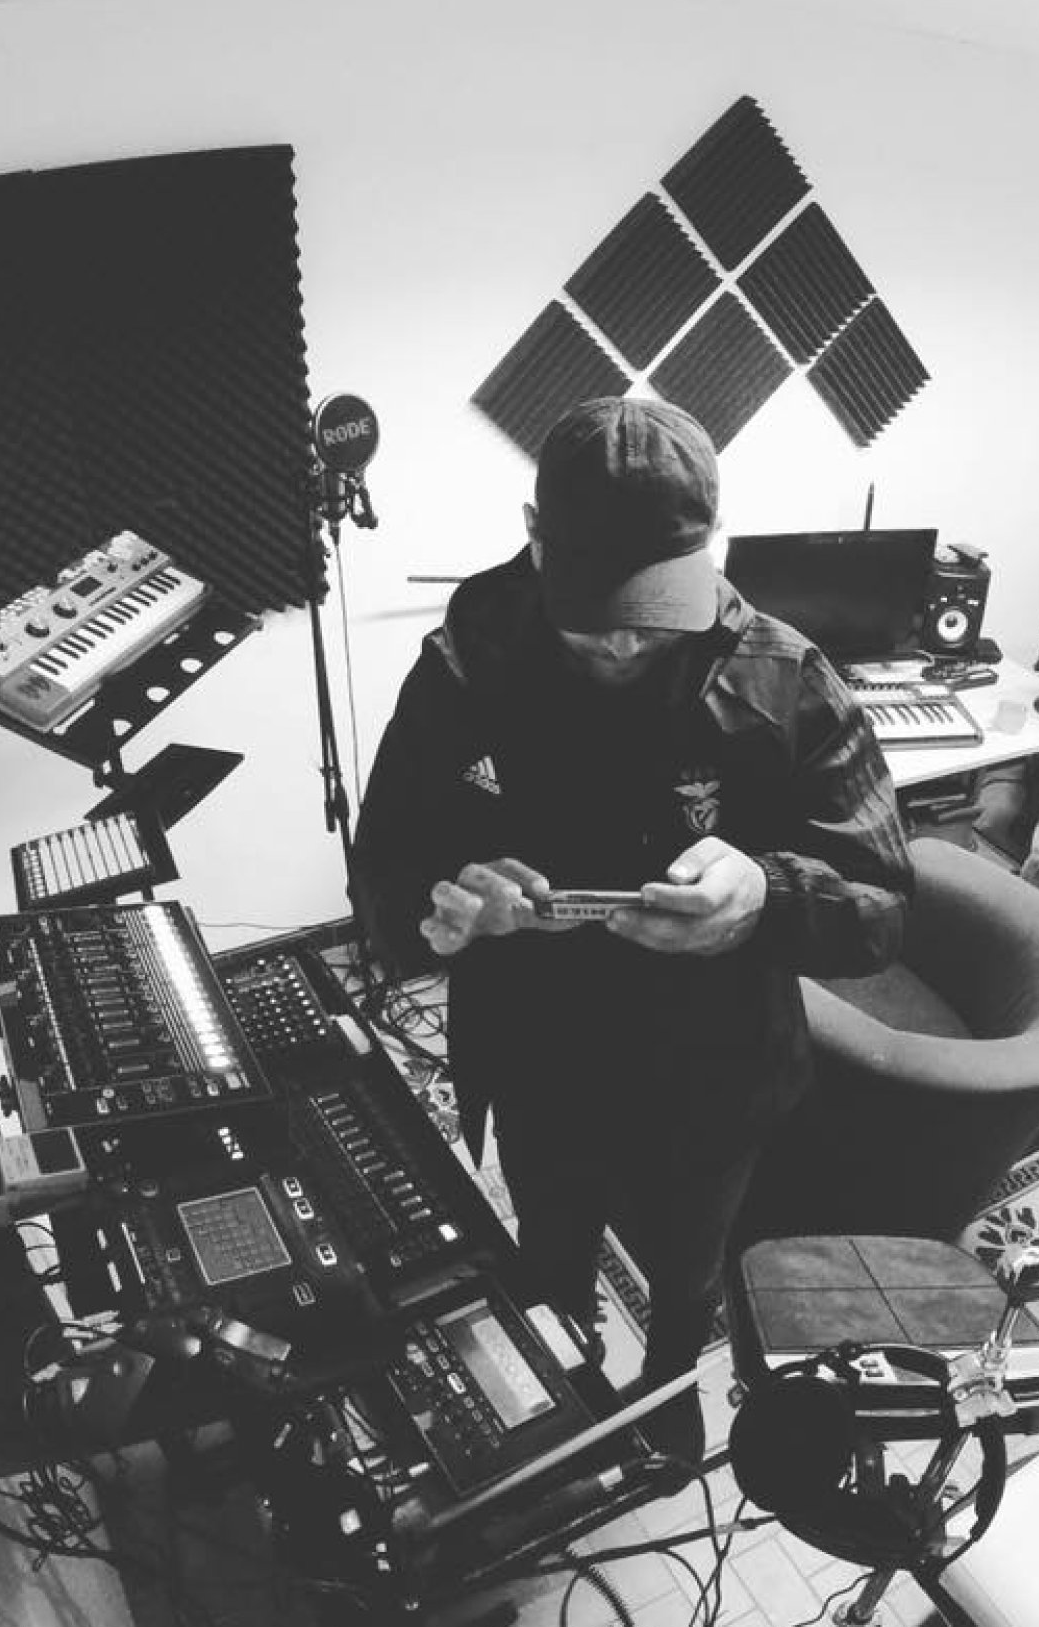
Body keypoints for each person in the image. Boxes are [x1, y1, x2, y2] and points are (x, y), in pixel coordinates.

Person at [350, 396, 913, 1470]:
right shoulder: (464, 662)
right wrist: (442, 908)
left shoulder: (785, 676)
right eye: (593, 609)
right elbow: (384, 870)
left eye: (650, 612)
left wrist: (764, 893)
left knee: (692, 1255)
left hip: (711, 1057)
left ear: (711, 548)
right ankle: (567, 1373)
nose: (618, 640)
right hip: (534, 1047)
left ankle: (667, 1378)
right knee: (550, 1244)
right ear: (532, 534)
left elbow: (882, 907)